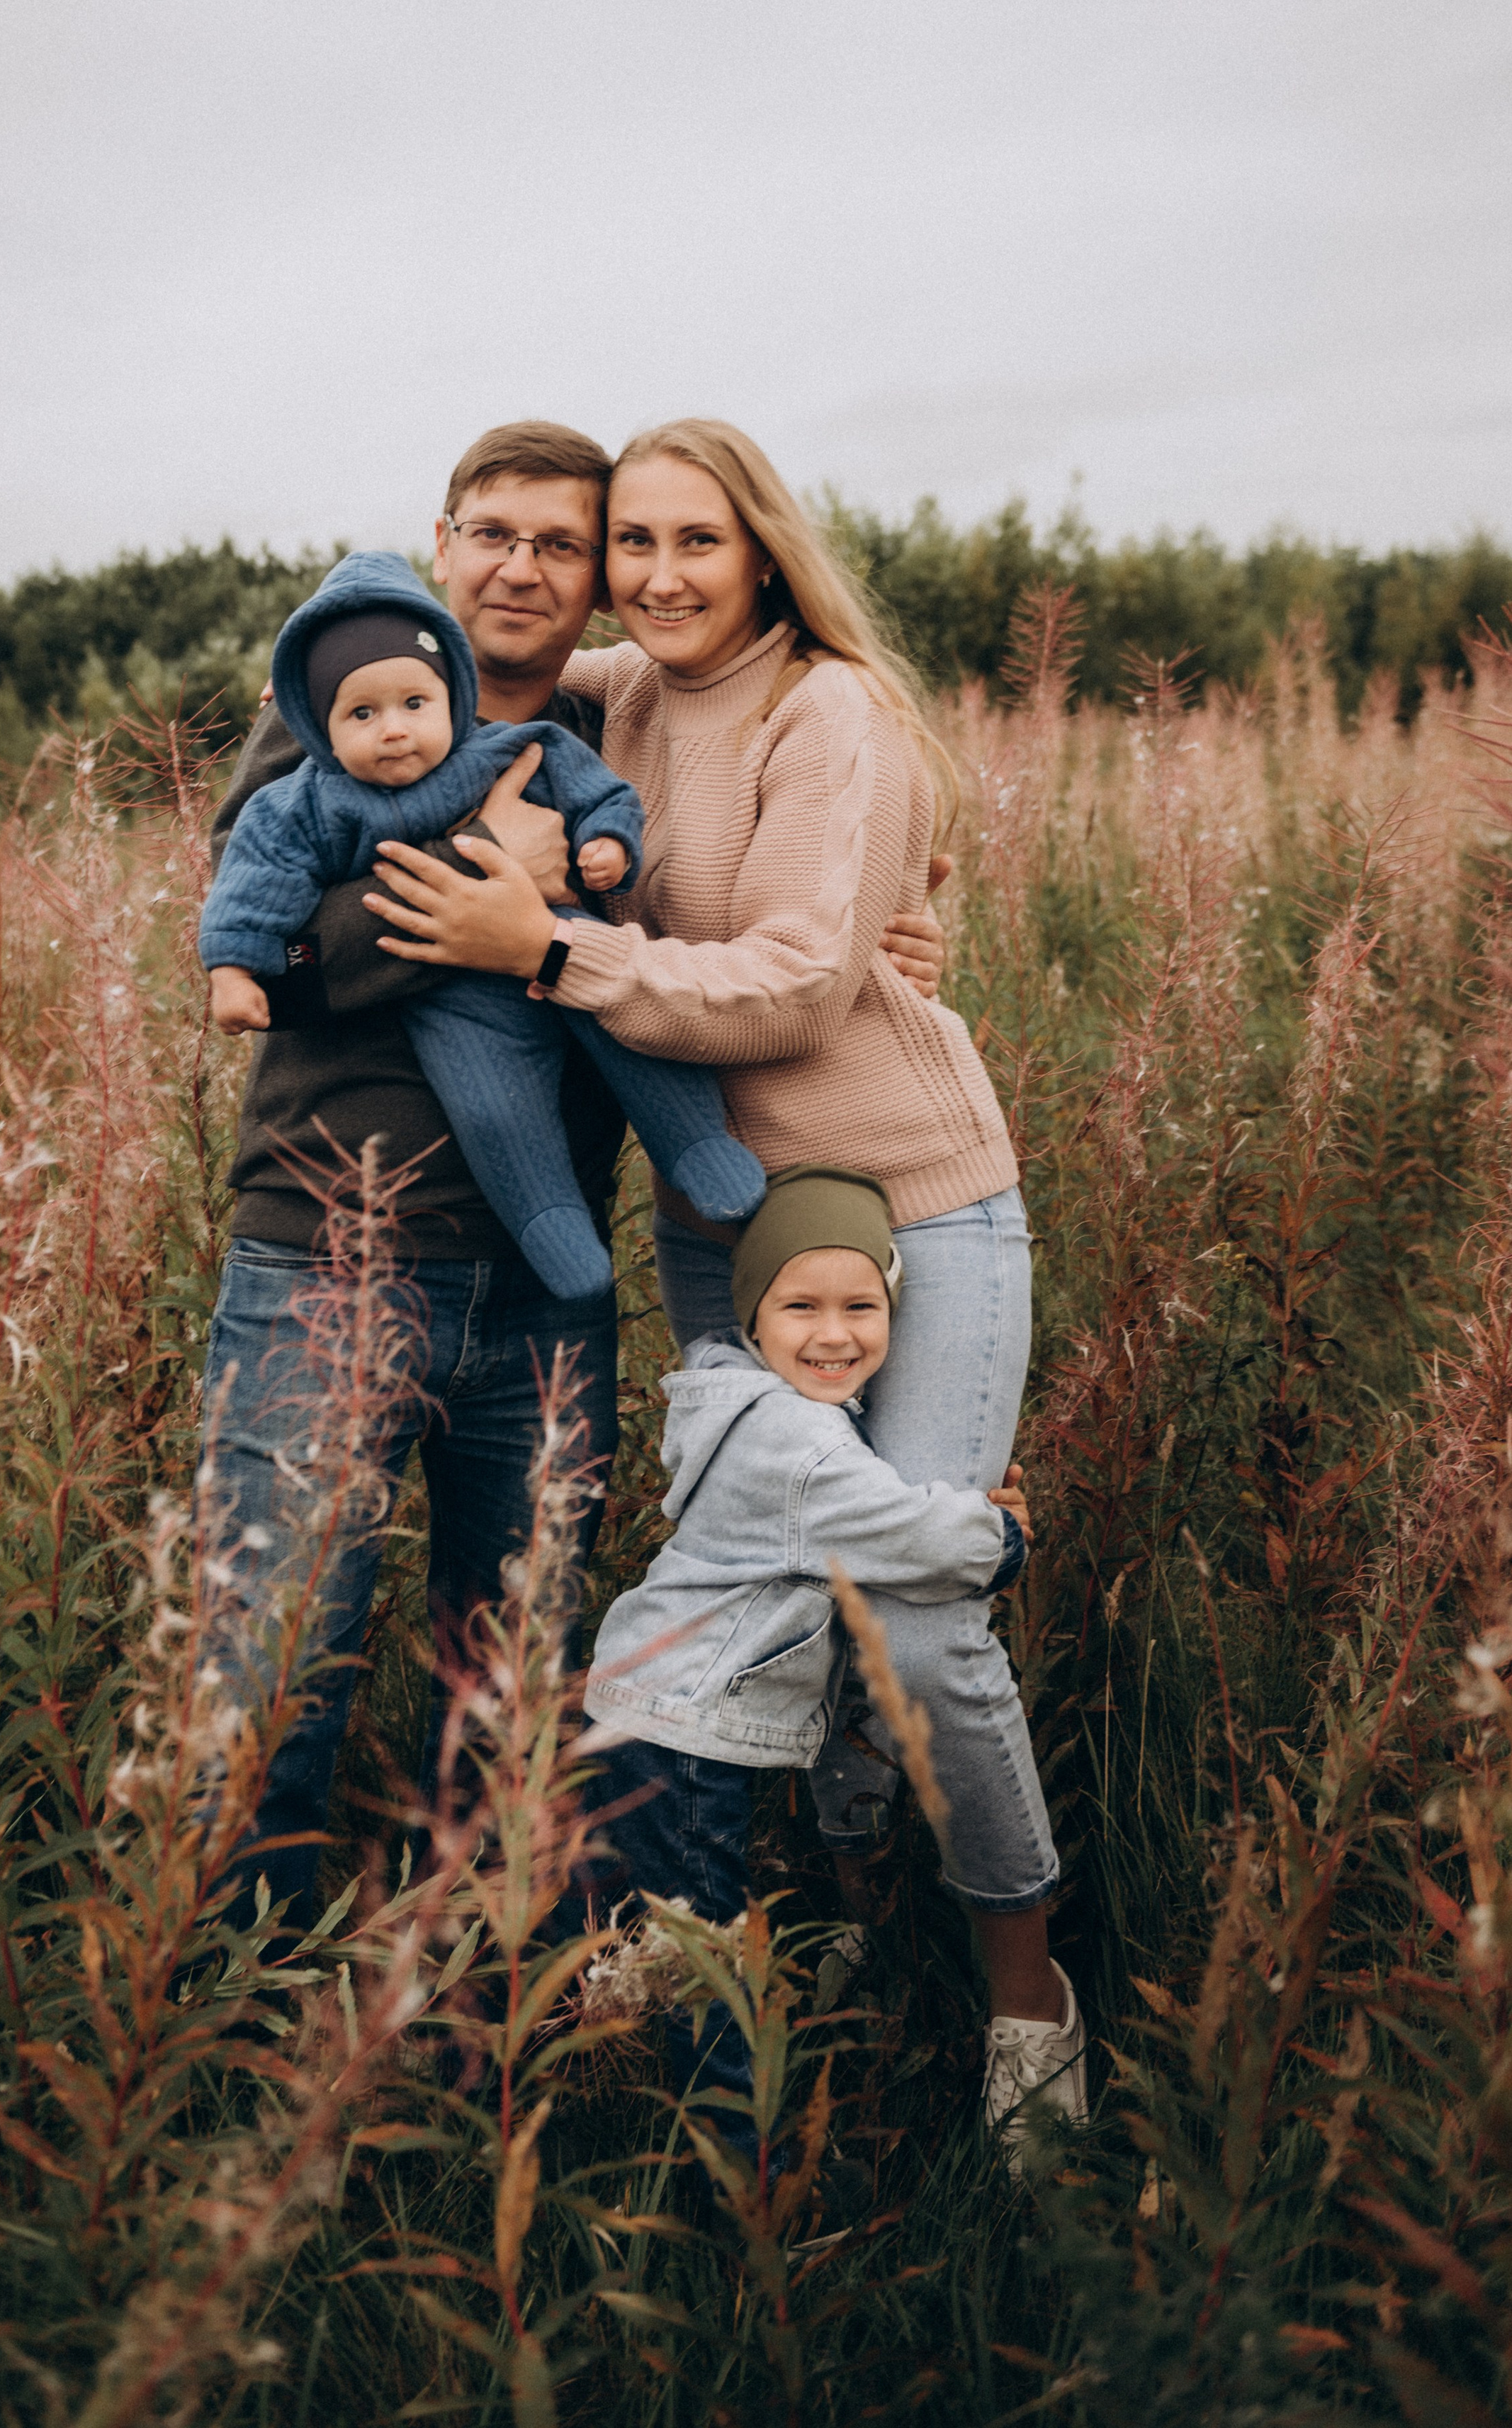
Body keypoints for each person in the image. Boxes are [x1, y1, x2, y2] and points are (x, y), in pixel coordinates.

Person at [354, 417, 1081, 2143]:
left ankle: (1025, 1992)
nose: (657, 575)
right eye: (632, 544)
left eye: (697, 541)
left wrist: (542, 945)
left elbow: (799, 987)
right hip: (726, 1226)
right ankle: (837, 1895)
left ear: (762, 552)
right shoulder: (614, 696)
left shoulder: (825, 707)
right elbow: (432, 655)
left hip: (915, 1203)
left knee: (914, 1614)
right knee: (776, 1583)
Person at [196, 420, 947, 1934]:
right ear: (443, 542)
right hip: (327, 1259)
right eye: (492, 532)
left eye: (561, 543)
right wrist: (497, 878)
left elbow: (743, 903)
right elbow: (260, 954)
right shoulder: (349, 696)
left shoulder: (622, 727)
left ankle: (469, 1993)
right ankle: (224, 2008)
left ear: (597, 578)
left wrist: (896, 937)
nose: (521, 568)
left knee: (507, 1675)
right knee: (276, 1663)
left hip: (547, 1283)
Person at [575, 1168, 1062, 2163]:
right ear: (753, 1315)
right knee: (703, 1957)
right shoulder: (798, 1445)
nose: (833, 1334)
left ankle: (557, 2067)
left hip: (642, 1708)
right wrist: (1005, 1534)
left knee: (625, 1920)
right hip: (683, 1736)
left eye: (861, 1307)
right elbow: (913, 1538)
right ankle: (744, 2172)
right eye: (800, 1307)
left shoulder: (744, 1399)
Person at [198, 551, 764, 1300]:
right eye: (361, 713)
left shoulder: (536, 734)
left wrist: (607, 842)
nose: (393, 730)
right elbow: (272, 928)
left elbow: (606, 796)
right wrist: (234, 966)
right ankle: (550, 1223)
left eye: (559, 544)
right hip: (339, 1228)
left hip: (565, 958)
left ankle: (697, 1147)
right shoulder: (306, 793)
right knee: (494, 1106)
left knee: (633, 1037)